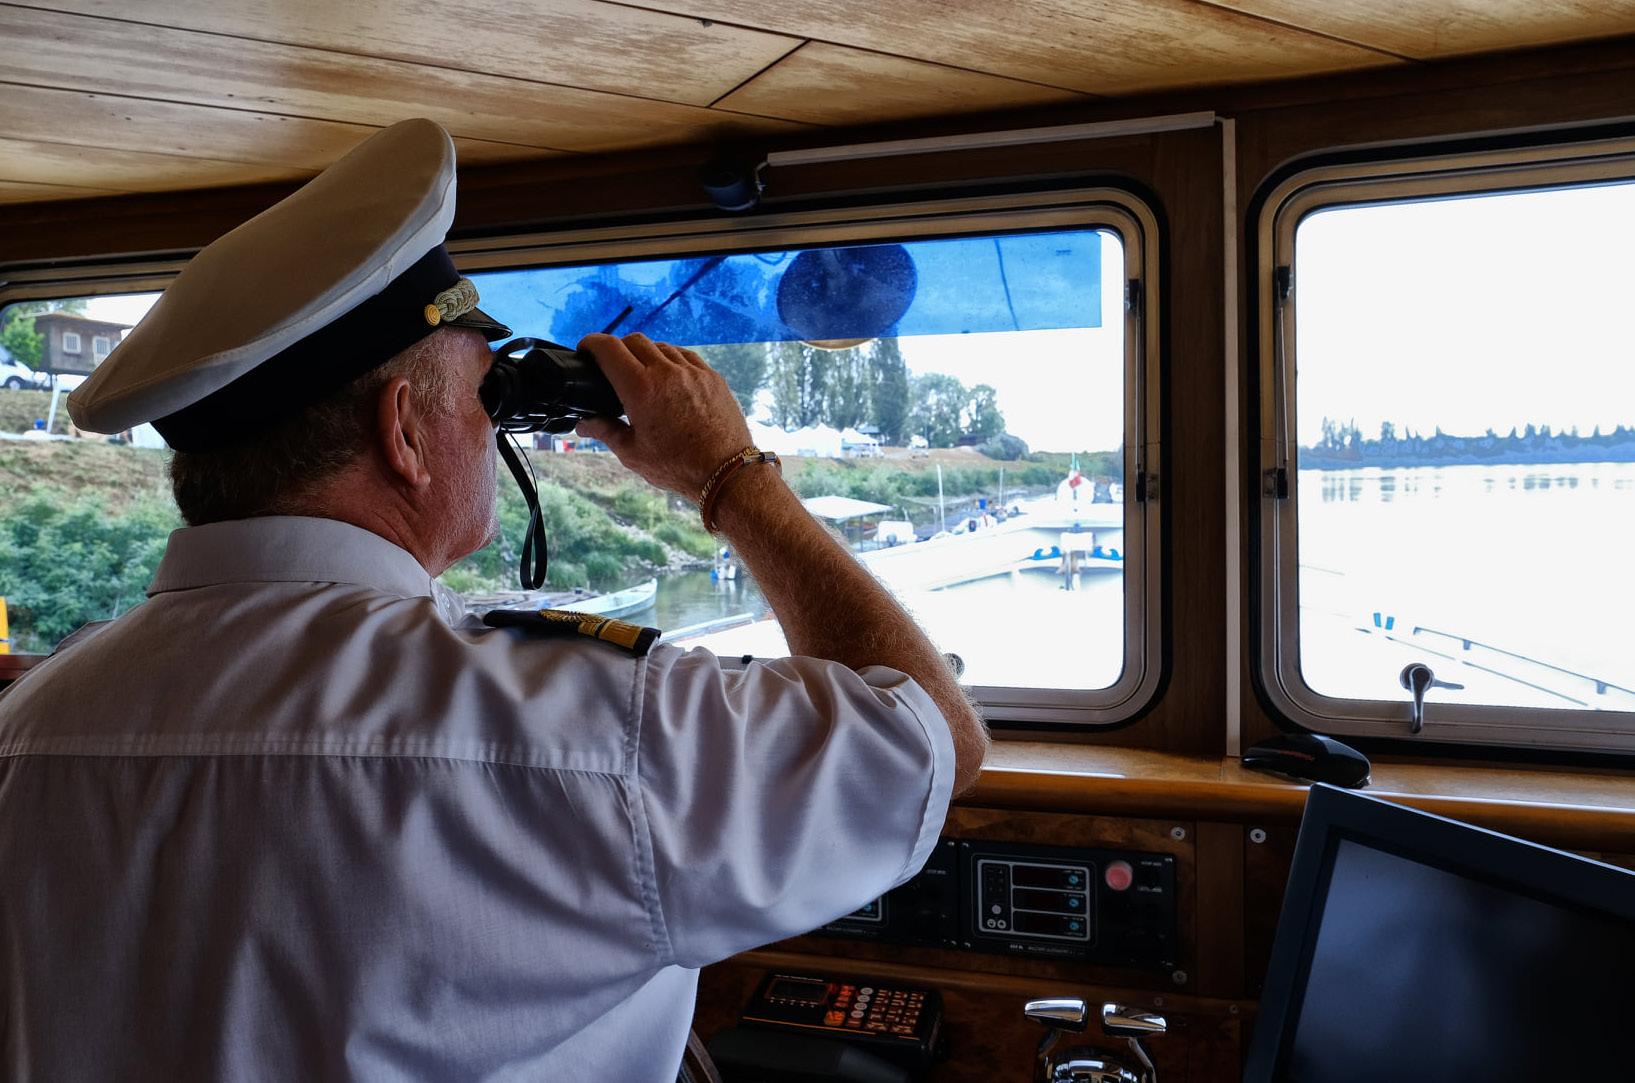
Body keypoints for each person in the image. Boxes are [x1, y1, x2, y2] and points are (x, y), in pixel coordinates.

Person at [0, 119, 988, 1080]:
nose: (498, 431)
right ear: (403, 433)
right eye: (487, 396)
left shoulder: (29, 723)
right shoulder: (597, 732)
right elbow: (930, 738)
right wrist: (730, 474)